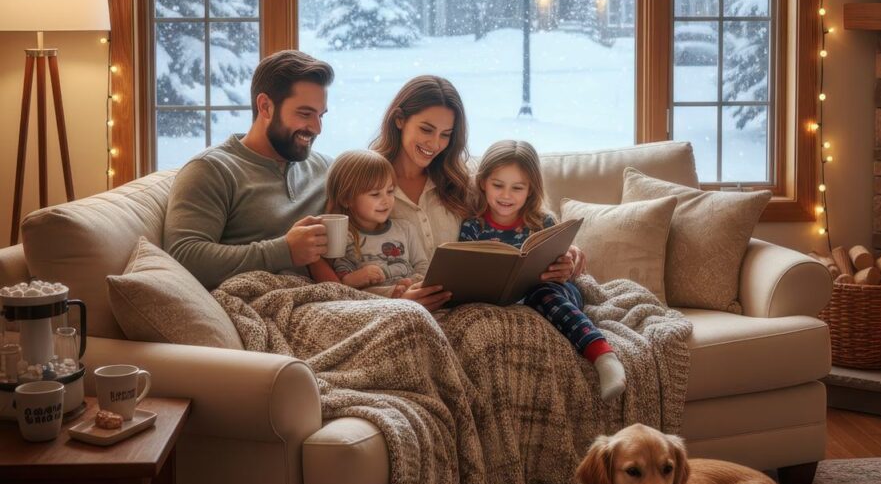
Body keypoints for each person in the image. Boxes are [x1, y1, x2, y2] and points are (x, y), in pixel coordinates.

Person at [371, 76, 581, 312]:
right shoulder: (366, 181)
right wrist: (396, 299)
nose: (435, 143)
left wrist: (568, 253)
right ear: (399, 120)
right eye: (426, 129)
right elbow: (343, 263)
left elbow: (514, 216)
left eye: (446, 134)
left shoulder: (459, 182)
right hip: (401, 309)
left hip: (463, 308)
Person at [460, 140, 626, 402]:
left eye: (517, 188)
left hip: (553, 292)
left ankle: (603, 355)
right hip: (500, 298)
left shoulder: (542, 221)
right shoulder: (472, 226)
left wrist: (566, 265)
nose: (506, 195)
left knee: (542, 293)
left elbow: (565, 264)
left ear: (530, 189)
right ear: (483, 182)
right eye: (498, 185)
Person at [164, 50, 335, 289]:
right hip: (262, 303)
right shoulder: (211, 170)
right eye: (305, 114)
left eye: (321, 115)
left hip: (332, 298)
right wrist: (284, 251)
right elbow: (184, 256)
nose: (317, 128)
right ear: (265, 106)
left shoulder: (326, 168)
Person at [307, 149, 428, 298]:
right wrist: (352, 279)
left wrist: (413, 283)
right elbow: (338, 288)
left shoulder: (406, 229)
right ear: (347, 199)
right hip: (371, 301)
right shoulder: (342, 236)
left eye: (390, 191)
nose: (386, 200)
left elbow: (422, 265)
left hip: (412, 293)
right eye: (375, 194)